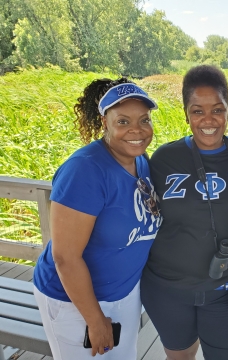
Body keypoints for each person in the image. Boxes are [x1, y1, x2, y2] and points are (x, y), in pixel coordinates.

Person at [33, 78, 162, 359]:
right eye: (123, 121)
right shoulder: (85, 171)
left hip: (125, 293)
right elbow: (65, 257)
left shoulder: (140, 161)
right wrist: (94, 318)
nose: (136, 130)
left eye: (144, 120)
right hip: (75, 302)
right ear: (105, 122)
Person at [141, 65, 228, 360]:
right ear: (186, 113)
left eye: (217, 110)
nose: (208, 120)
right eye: (197, 111)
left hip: (226, 290)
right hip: (166, 289)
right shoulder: (165, 159)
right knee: (180, 356)